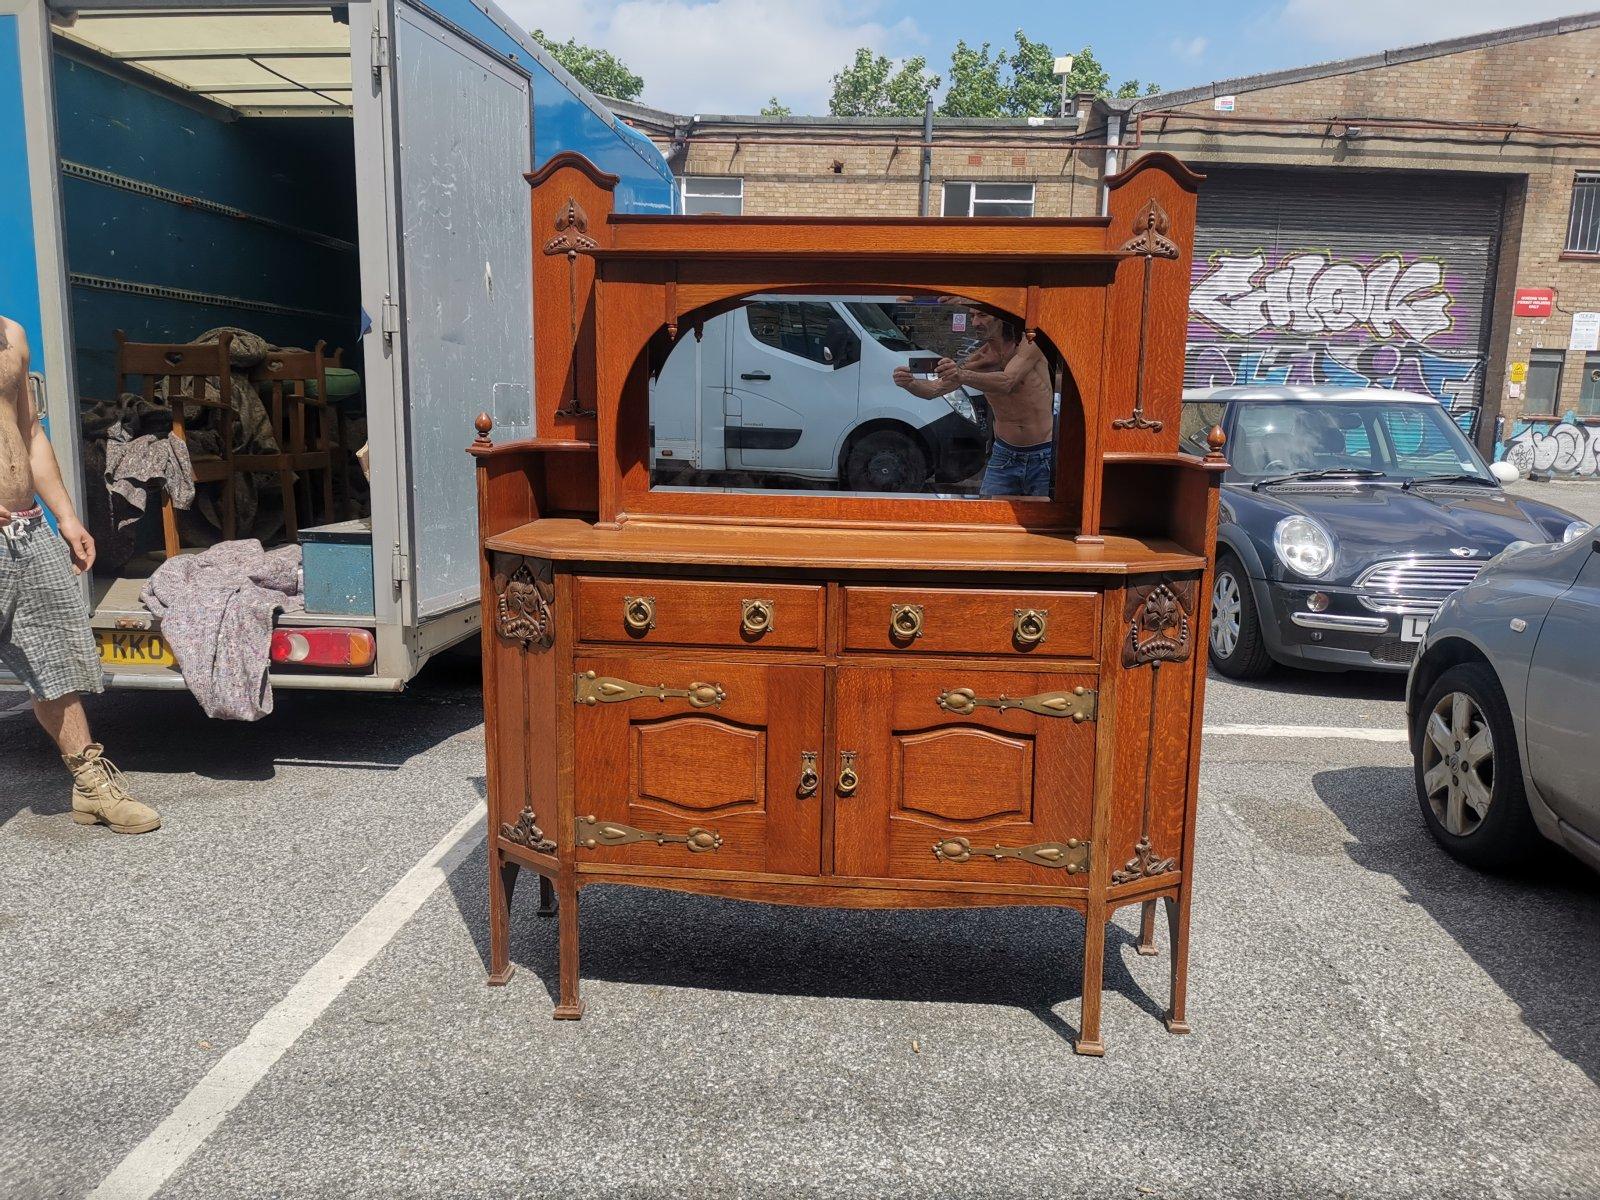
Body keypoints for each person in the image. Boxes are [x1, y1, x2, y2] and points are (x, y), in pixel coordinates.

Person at [0, 315, 160, 833]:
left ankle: (90, 784)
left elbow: (28, 430)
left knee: (56, 656)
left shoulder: (12, 335)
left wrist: (66, 516)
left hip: (26, 529)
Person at [890, 312, 1055, 496]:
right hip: (1004, 454)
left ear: (1000, 318)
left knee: (1042, 520)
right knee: (989, 519)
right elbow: (933, 390)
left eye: (982, 316)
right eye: (972, 317)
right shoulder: (979, 358)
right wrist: (910, 384)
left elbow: (1008, 381)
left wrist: (961, 375)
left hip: (1043, 454)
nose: (975, 322)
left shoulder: (1029, 343)